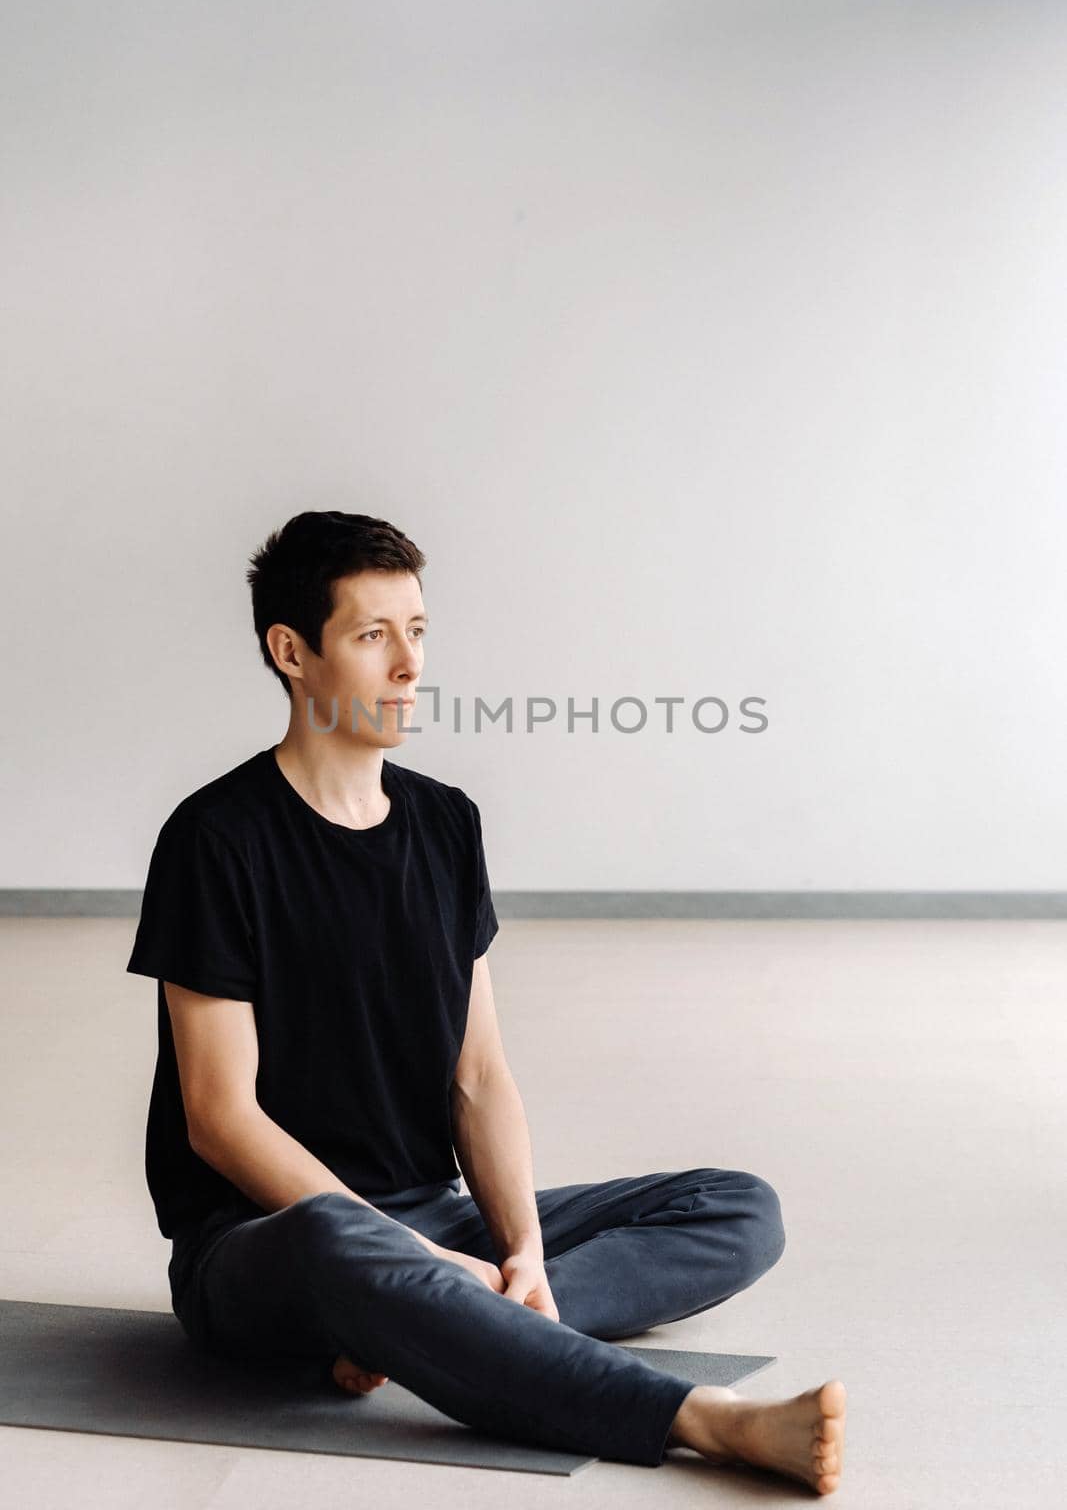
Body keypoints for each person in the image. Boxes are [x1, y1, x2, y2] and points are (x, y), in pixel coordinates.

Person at [126, 509, 846, 1493]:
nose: (409, 664)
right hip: (271, 1242)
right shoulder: (216, 839)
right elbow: (218, 1119)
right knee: (344, 1243)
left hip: (435, 1224)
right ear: (291, 651)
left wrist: (518, 1252)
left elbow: (476, 1072)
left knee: (734, 1206)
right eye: (373, 634)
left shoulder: (444, 823)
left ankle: (437, 1319)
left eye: (416, 630)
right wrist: (407, 1253)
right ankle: (700, 1420)